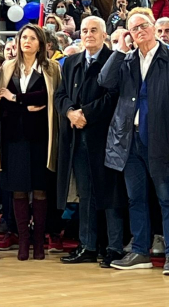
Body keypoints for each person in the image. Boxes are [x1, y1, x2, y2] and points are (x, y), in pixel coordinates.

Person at [99, 10, 169, 275]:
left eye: (143, 26)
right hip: (130, 140)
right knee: (136, 198)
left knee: (167, 199)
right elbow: (105, 81)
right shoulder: (125, 60)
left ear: (153, 26)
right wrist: (118, 49)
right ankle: (140, 251)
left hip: (162, 140)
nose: (139, 31)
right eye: (133, 28)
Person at [0, 23, 59, 261]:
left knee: (40, 190)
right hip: (14, 137)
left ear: (41, 43)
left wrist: (17, 98)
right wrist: (24, 105)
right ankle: (24, 242)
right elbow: (1, 102)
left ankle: (39, 242)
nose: (27, 41)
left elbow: (48, 98)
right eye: (23, 37)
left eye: (32, 38)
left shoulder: (52, 68)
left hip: (40, 138)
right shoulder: (8, 67)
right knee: (18, 191)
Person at [55, 16, 125, 266]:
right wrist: (70, 112)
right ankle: (87, 246)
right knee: (86, 194)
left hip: (105, 136)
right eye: (84, 30)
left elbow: (113, 96)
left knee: (110, 193)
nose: (88, 34)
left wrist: (86, 114)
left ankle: (114, 247)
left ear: (104, 35)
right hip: (76, 135)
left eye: (94, 30)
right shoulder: (71, 61)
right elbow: (60, 94)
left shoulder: (114, 60)